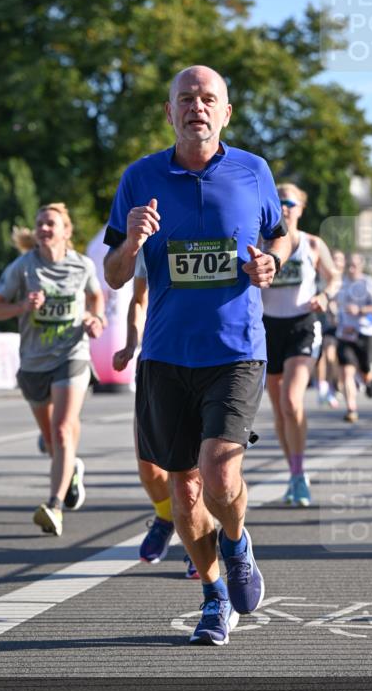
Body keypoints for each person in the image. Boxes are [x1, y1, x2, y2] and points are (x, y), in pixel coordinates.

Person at [103, 65, 291, 646]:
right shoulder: (140, 178)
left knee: (218, 468)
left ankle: (237, 544)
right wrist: (132, 242)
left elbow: (278, 235)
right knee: (183, 493)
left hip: (235, 350)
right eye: (185, 98)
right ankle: (213, 597)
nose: (197, 107)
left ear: (226, 113)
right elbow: (112, 275)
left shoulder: (253, 171)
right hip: (165, 355)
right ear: (169, 112)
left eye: (209, 99)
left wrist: (272, 263)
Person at [0, 203, 106, 535]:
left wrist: (95, 319)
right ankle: (72, 470)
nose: (43, 228)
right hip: (34, 362)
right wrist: (22, 306)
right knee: (50, 439)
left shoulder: (82, 265)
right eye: (39, 223)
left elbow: (96, 298)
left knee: (62, 430)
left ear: (66, 231)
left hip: (72, 353)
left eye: (50, 223)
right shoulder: (23, 269)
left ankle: (54, 505)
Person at [112, 251, 199, 578]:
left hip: (207, 358)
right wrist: (131, 342)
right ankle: (165, 517)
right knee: (149, 467)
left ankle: (199, 544)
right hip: (157, 356)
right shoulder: (153, 240)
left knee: (193, 472)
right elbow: (139, 299)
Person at [262, 184, 340, 506]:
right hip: (267, 327)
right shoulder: (261, 241)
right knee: (280, 409)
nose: (283, 207)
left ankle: (298, 475)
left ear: (301, 208)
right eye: (277, 201)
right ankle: (293, 473)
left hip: (302, 324)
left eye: (289, 202)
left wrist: (324, 294)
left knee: (292, 401)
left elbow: (334, 277)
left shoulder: (311, 243)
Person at [335, 253, 372, 423]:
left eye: (355, 265)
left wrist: (360, 310)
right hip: (345, 334)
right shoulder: (341, 283)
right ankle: (351, 409)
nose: (351, 269)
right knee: (347, 372)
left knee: (366, 370)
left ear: (361, 266)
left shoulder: (368, 283)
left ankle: (368, 380)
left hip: (365, 332)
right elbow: (335, 305)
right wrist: (336, 319)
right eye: (349, 265)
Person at [316, 249, 345, 409]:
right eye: (334, 259)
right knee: (325, 355)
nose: (336, 263)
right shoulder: (323, 280)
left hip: (346, 328)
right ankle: (323, 387)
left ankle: (336, 384)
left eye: (339, 260)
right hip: (326, 324)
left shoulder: (348, 282)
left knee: (337, 360)